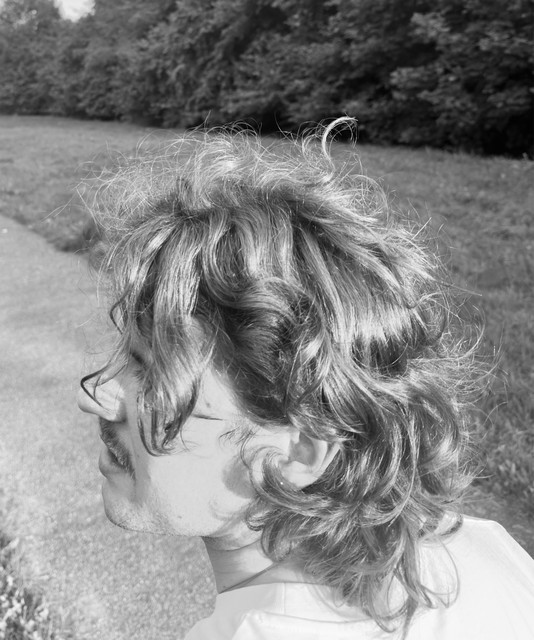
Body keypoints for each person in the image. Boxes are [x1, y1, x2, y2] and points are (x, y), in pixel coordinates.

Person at [77, 120, 534, 640]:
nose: (94, 397)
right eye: (128, 354)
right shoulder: (484, 550)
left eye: (156, 377)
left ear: (295, 454)